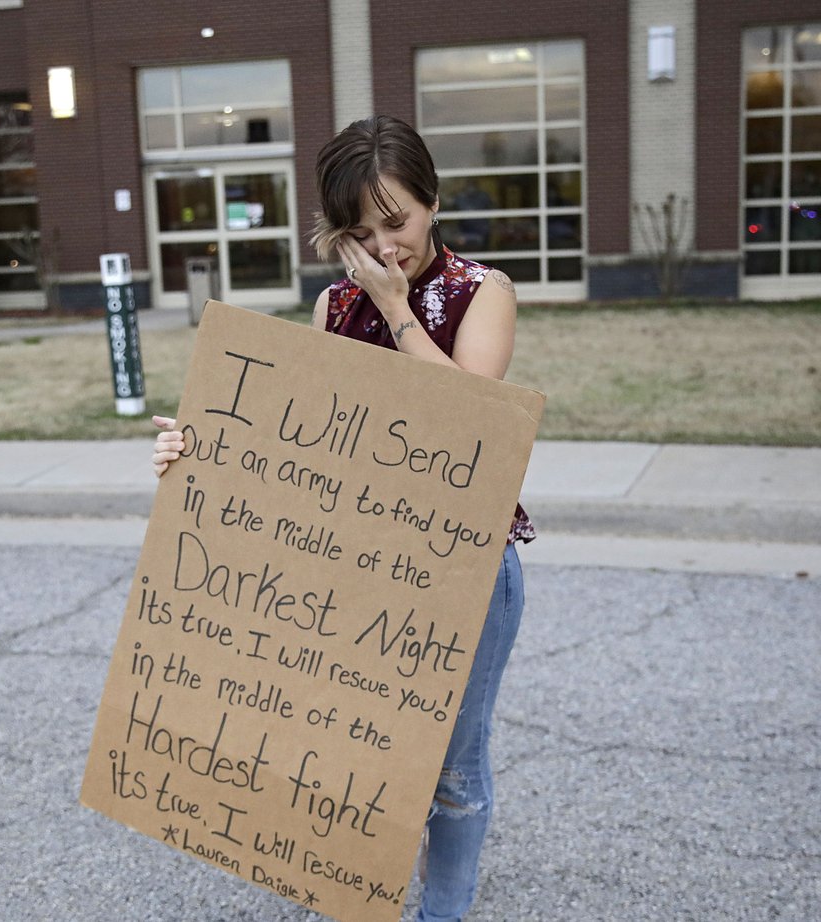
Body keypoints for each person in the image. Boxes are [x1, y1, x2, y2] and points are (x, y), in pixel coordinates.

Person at [150, 114, 534, 922]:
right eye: (361, 234)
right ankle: (353, 892)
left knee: (452, 769)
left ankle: (441, 911)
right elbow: (304, 449)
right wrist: (198, 454)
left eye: (396, 222)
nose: (384, 249)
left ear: (433, 201)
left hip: (464, 571)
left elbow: (473, 427)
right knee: (354, 748)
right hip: (360, 566)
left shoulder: (482, 293)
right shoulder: (335, 306)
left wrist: (398, 311)